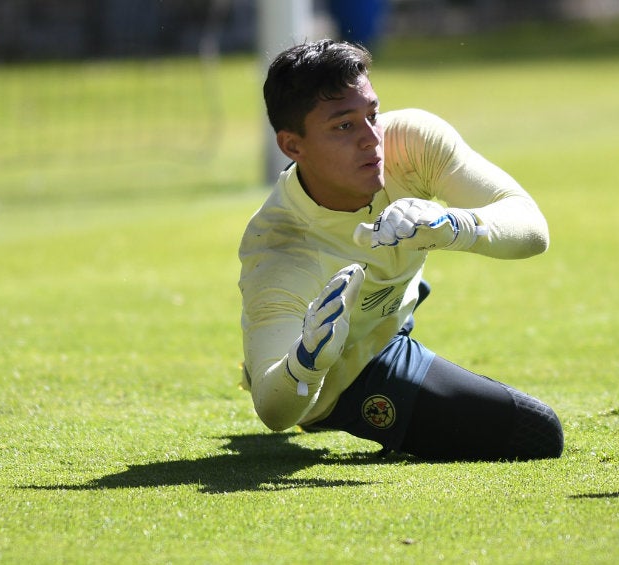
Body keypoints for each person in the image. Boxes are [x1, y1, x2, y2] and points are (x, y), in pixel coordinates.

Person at [238, 39, 563, 461]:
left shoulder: (408, 144)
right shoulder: (279, 249)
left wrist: (452, 226)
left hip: (392, 306)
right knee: (536, 433)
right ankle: (281, 345)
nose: (372, 139)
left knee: (398, 277)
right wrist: (306, 363)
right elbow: (273, 410)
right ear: (292, 146)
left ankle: (296, 336)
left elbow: (532, 228)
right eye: (343, 126)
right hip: (351, 371)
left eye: (371, 114)